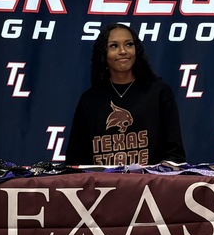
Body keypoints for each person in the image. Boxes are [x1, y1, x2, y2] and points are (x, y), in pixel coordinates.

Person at [64, 23, 186, 166]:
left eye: (129, 44)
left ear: (137, 50)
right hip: (102, 186)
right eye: (114, 46)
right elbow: (75, 160)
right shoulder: (90, 99)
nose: (123, 51)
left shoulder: (159, 92)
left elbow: (175, 155)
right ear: (103, 53)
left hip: (150, 185)